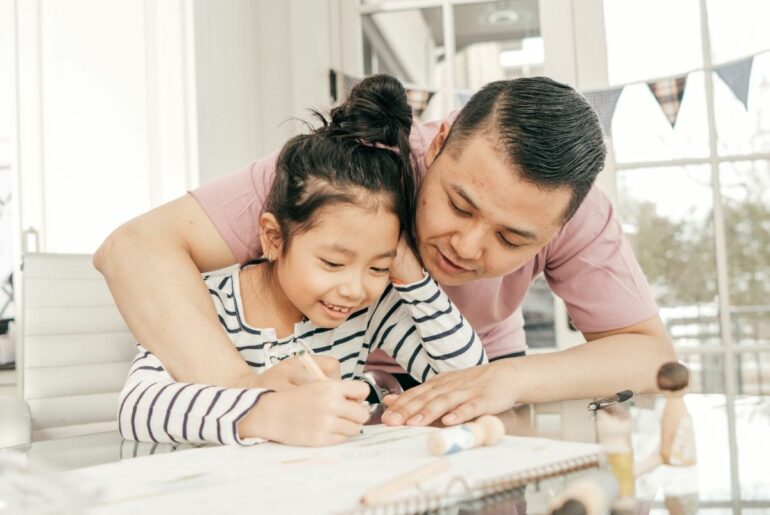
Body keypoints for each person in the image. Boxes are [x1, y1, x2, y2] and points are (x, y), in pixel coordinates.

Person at [97, 73, 675, 430]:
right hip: (313, 395)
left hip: (470, 385)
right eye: (460, 204)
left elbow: (650, 357)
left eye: (512, 240)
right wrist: (246, 395)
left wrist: (509, 380)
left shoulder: (576, 209)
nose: (468, 248)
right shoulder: (350, 170)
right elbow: (134, 248)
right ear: (440, 139)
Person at [117, 76, 486, 447]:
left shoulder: (369, 310)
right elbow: (137, 409)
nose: (355, 288)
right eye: (332, 263)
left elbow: (470, 378)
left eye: (377, 267)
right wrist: (263, 413)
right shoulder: (209, 302)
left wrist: (410, 275)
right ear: (274, 238)